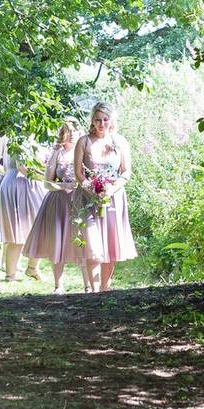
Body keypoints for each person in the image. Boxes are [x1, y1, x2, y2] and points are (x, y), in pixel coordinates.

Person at [73, 101, 137, 292]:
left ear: (112, 120)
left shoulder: (120, 142)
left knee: (110, 245)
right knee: (92, 244)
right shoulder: (83, 141)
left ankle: (104, 290)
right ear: (92, 120)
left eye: (105, 120)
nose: (101, 124)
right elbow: (79, 174)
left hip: (113, 198)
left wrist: (110, 190)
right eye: (98, 120)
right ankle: (93, 291)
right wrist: (92, 191)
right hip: (87, 198)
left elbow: (125, 172)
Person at [22, 119, 91, 294]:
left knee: (83, 241)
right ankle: (58, 285)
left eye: (76, 129)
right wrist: (62, 185)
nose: (74, 133)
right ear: (64, 133)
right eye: (70, 130)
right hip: (59, 202)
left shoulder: (84, 150)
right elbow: (47, 182)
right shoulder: (57, 153)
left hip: (79, 200)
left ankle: (88, 285)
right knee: (58, 242)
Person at [0, 135, 44, 281]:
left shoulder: (5, 135)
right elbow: (22, 167)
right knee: (19, 232)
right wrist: (45, 177)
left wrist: (8, 174)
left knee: (38, 227)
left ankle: (30, 268)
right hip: (21, 183)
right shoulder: (21, 135)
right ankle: (12, 274)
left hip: (14, 182)